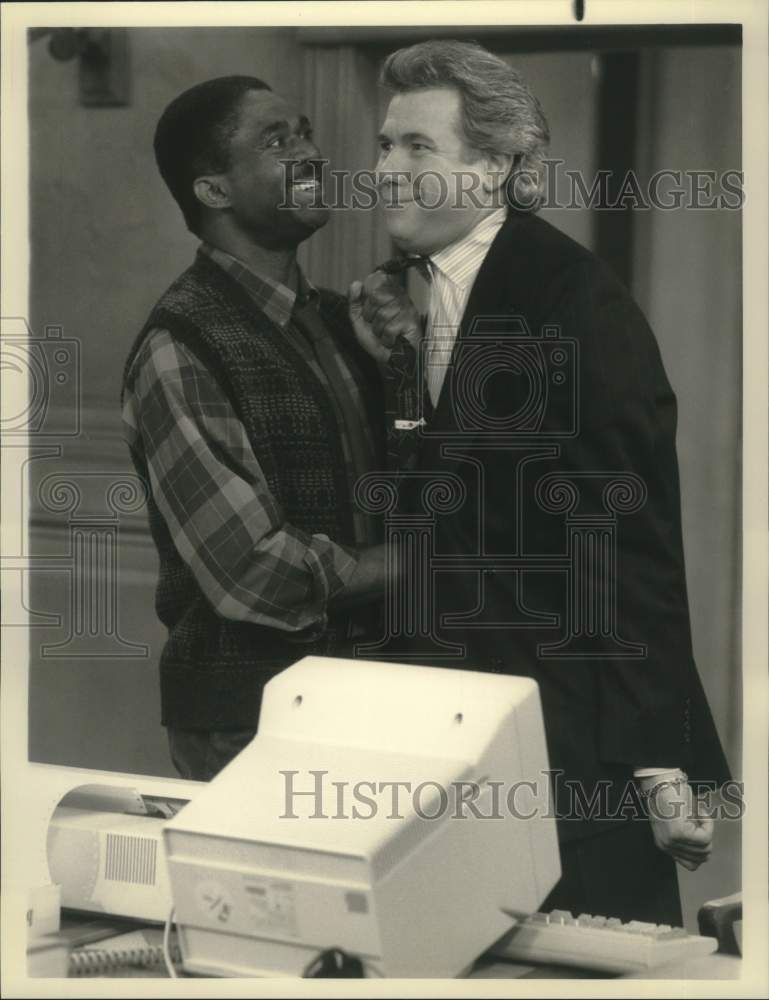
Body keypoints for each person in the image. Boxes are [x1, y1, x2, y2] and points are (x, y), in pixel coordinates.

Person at [349, 40, 731, 925]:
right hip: (461, 728)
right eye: (383, 145)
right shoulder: (424, 292)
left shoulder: (574, 302)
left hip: (573, 739)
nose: (384, 172)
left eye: (417, 148)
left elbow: (627, 544)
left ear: (496, 167)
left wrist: (655, 761)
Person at [122, 76, 390, 781]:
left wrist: (405, 364)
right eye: (278, 141)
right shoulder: (178, 345)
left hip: (369, 697)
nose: (310, 154)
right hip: (249, 721)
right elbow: (250, 572)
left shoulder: (335, 321)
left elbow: (405, 484)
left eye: (304, 131)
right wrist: (418, 567)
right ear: (213, 191)